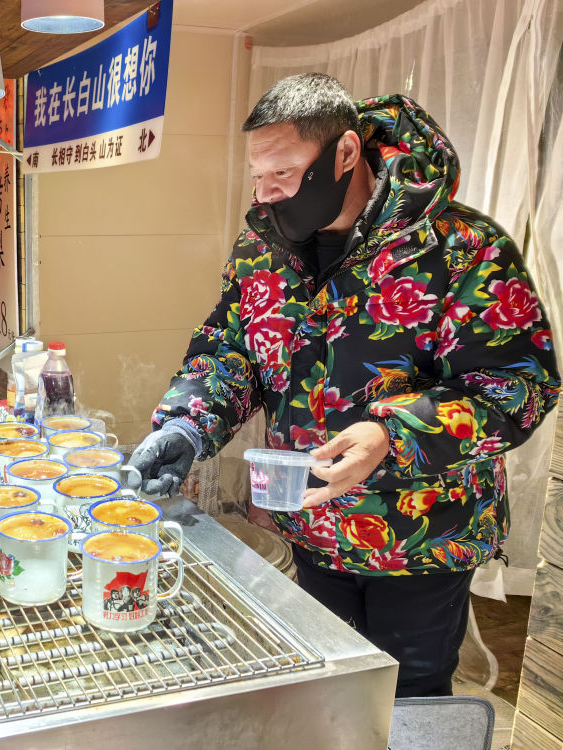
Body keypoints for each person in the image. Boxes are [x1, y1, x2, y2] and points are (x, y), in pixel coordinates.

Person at [130, 73, 560, 698]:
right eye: (257, 176)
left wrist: (394, 434)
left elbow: (519, 386)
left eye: (283, 172)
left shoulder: (463, 249)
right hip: (310, 526)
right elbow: (233, 351)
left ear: (346, 154)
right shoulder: (264, 249)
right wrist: (186, 423)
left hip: (422, 540)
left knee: (404, 704)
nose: (267, 193)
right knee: (329, 694)